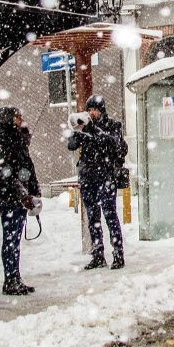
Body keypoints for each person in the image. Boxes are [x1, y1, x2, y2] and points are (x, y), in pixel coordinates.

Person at [67, 95, 126, 270]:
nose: (93, 113)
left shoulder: (112, 126)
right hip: (88, 177)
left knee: (110, 215)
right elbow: (71, 145)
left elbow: (112, 144)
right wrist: (79, 130)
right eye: (90, 110)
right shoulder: (84, 126)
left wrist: (94, 131)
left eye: (95, 110)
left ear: (102, 110)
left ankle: (118, 253)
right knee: (93, 217)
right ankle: (98, 254)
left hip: (105, 176)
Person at [0, 107, 41, 295]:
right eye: (17, 116)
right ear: (8, 120)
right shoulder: (2, 142)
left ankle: (14, 277)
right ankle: (10, 279)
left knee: (15, 239)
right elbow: (6, 175)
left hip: (18, 197)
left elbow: (26, 167)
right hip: (10, 197)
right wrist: (23, 193)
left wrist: (32, 191)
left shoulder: (16, 140)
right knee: (11, 239)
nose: (21, 119)